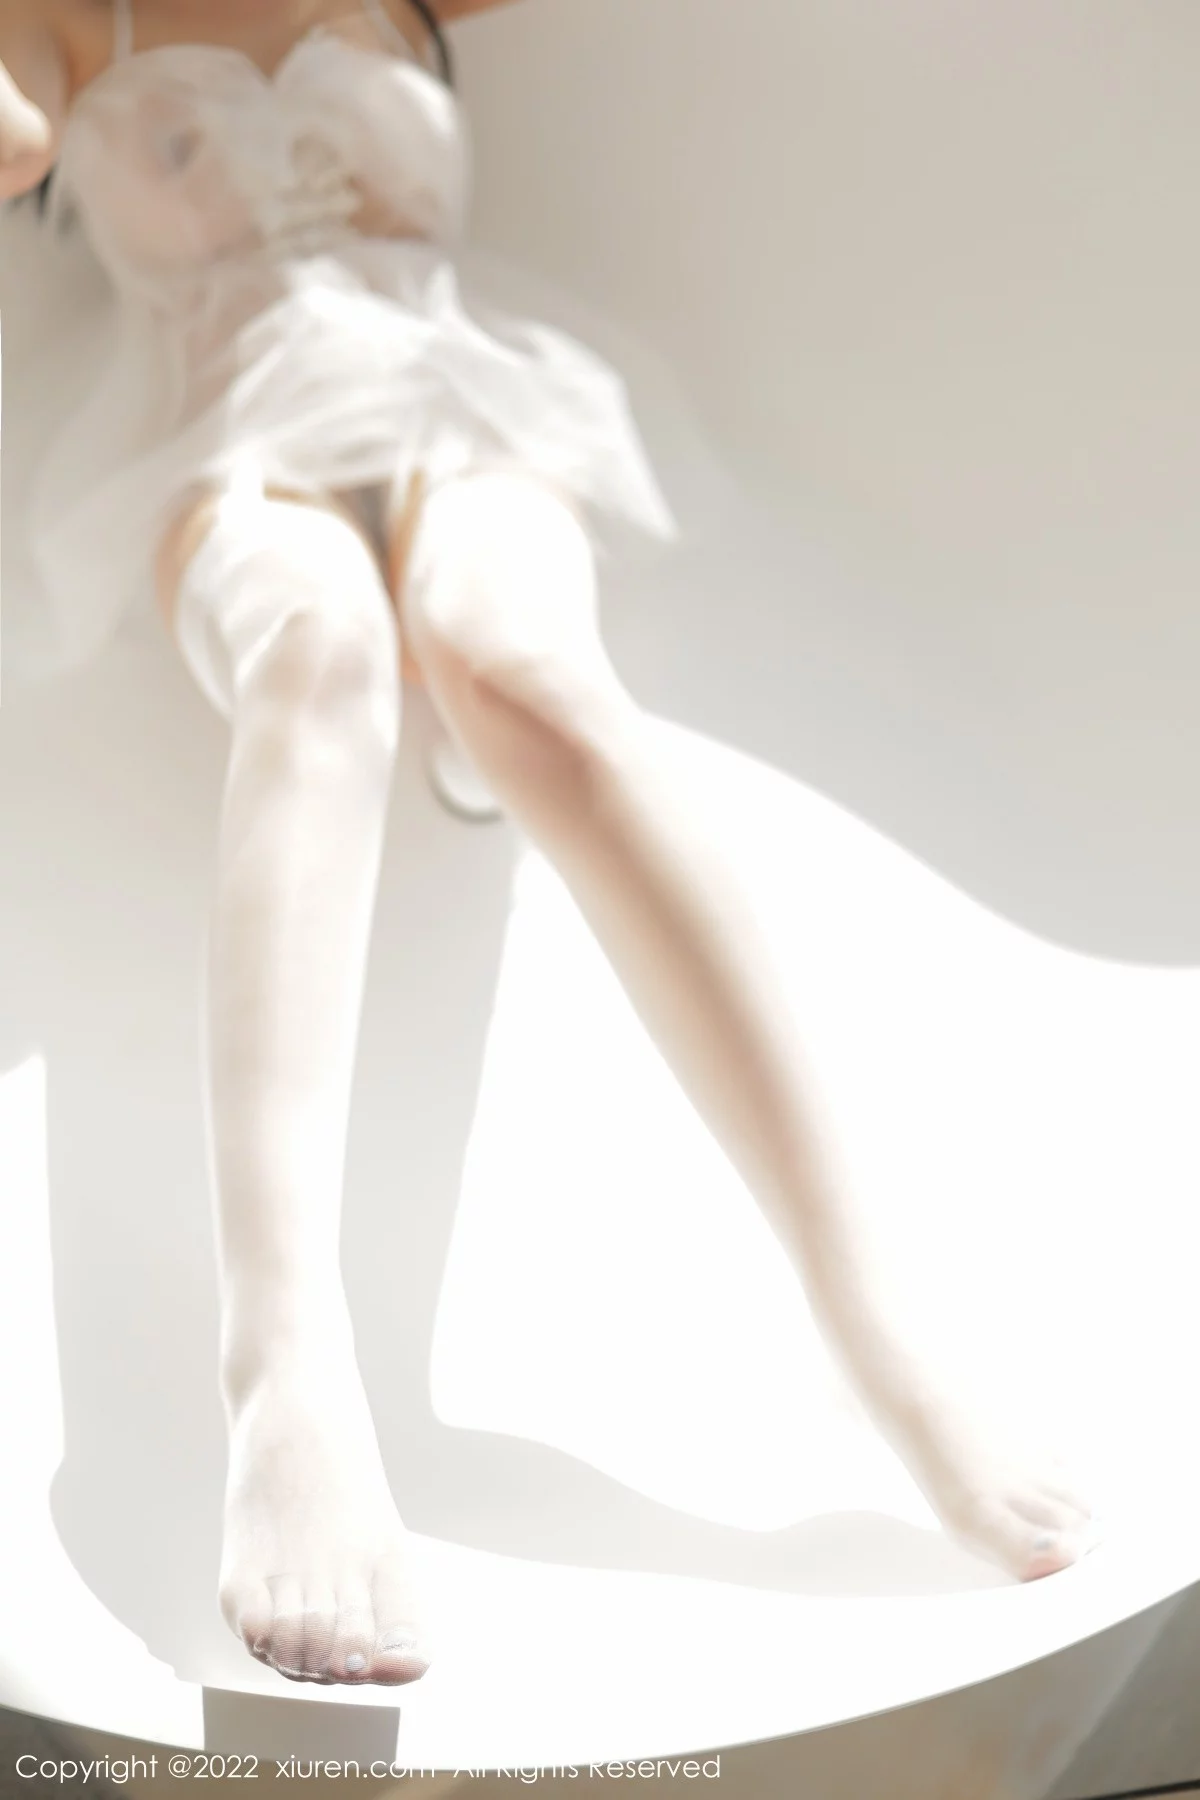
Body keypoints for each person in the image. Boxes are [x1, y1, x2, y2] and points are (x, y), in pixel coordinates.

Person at [0, 0, 1097, 1691]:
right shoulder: (74, 19)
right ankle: (284, 1366)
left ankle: (871, 1315)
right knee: (314, 648)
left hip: (463, 398)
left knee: (526, 671)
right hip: (222, 436)